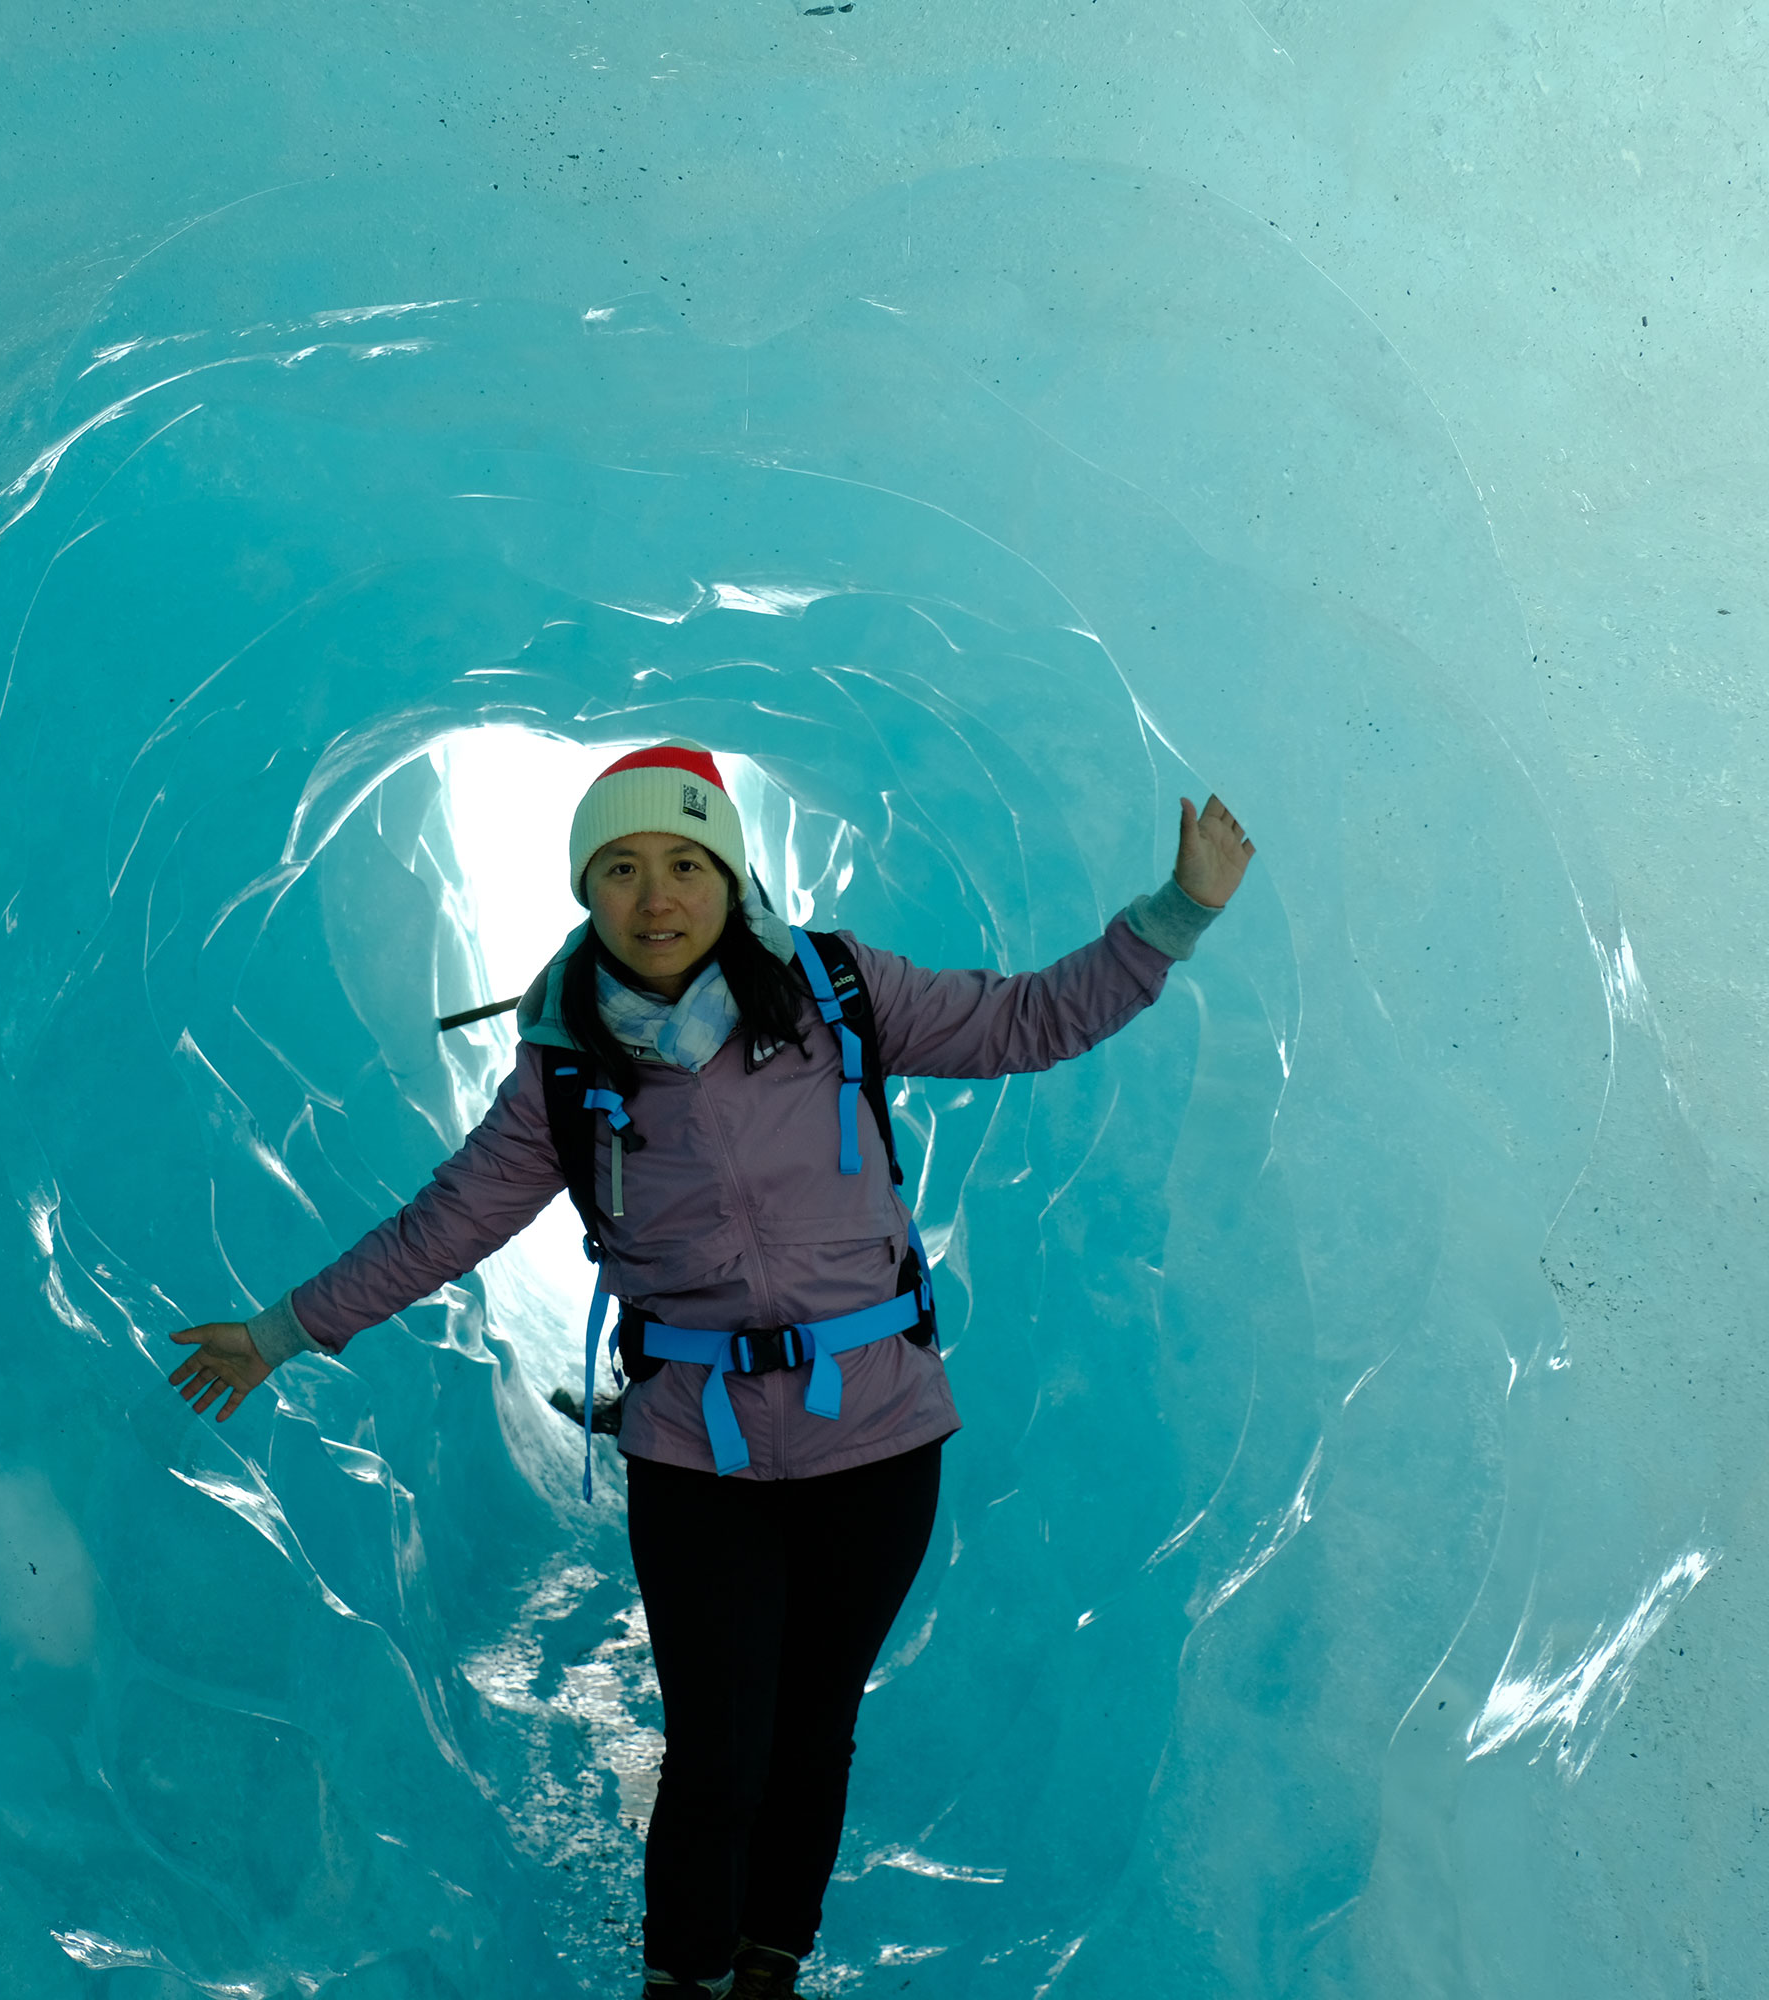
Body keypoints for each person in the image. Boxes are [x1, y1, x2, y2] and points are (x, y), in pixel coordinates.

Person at [168, 740, 1253, 1999]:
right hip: (699, 1446)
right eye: (620, 867)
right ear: (586, 891)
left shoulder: (837, 991)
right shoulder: (567, 1069)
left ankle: (768, 1969)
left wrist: (1174, 914)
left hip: (880, 1435)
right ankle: (681, 1980)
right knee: (718, 1747)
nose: (655, 894)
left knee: (812, 1730)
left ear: (730, 874)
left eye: (684, 861)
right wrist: (285, 1328)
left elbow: (1021, 1019)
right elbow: (446, 1222)